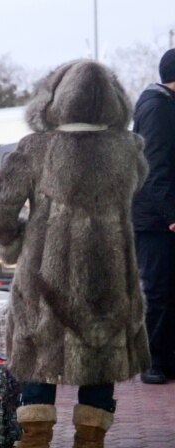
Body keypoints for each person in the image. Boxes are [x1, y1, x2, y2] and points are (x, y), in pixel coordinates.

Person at [0, 59, 149, 448]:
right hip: (110, 269)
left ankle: (36, 443)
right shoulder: (128, 149)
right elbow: (138, 187)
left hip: (46, 271)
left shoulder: (37, 149)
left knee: (39, 345)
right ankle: (90, 444)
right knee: (102, 345)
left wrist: (12, 243)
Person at [131, 48, 175, 385]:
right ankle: (154, 362)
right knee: (158, 290)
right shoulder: (157, 107)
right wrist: (171, 214)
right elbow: (156, 167)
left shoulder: (163, 103)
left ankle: (166, 358)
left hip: (160, 214)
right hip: (156, 219)